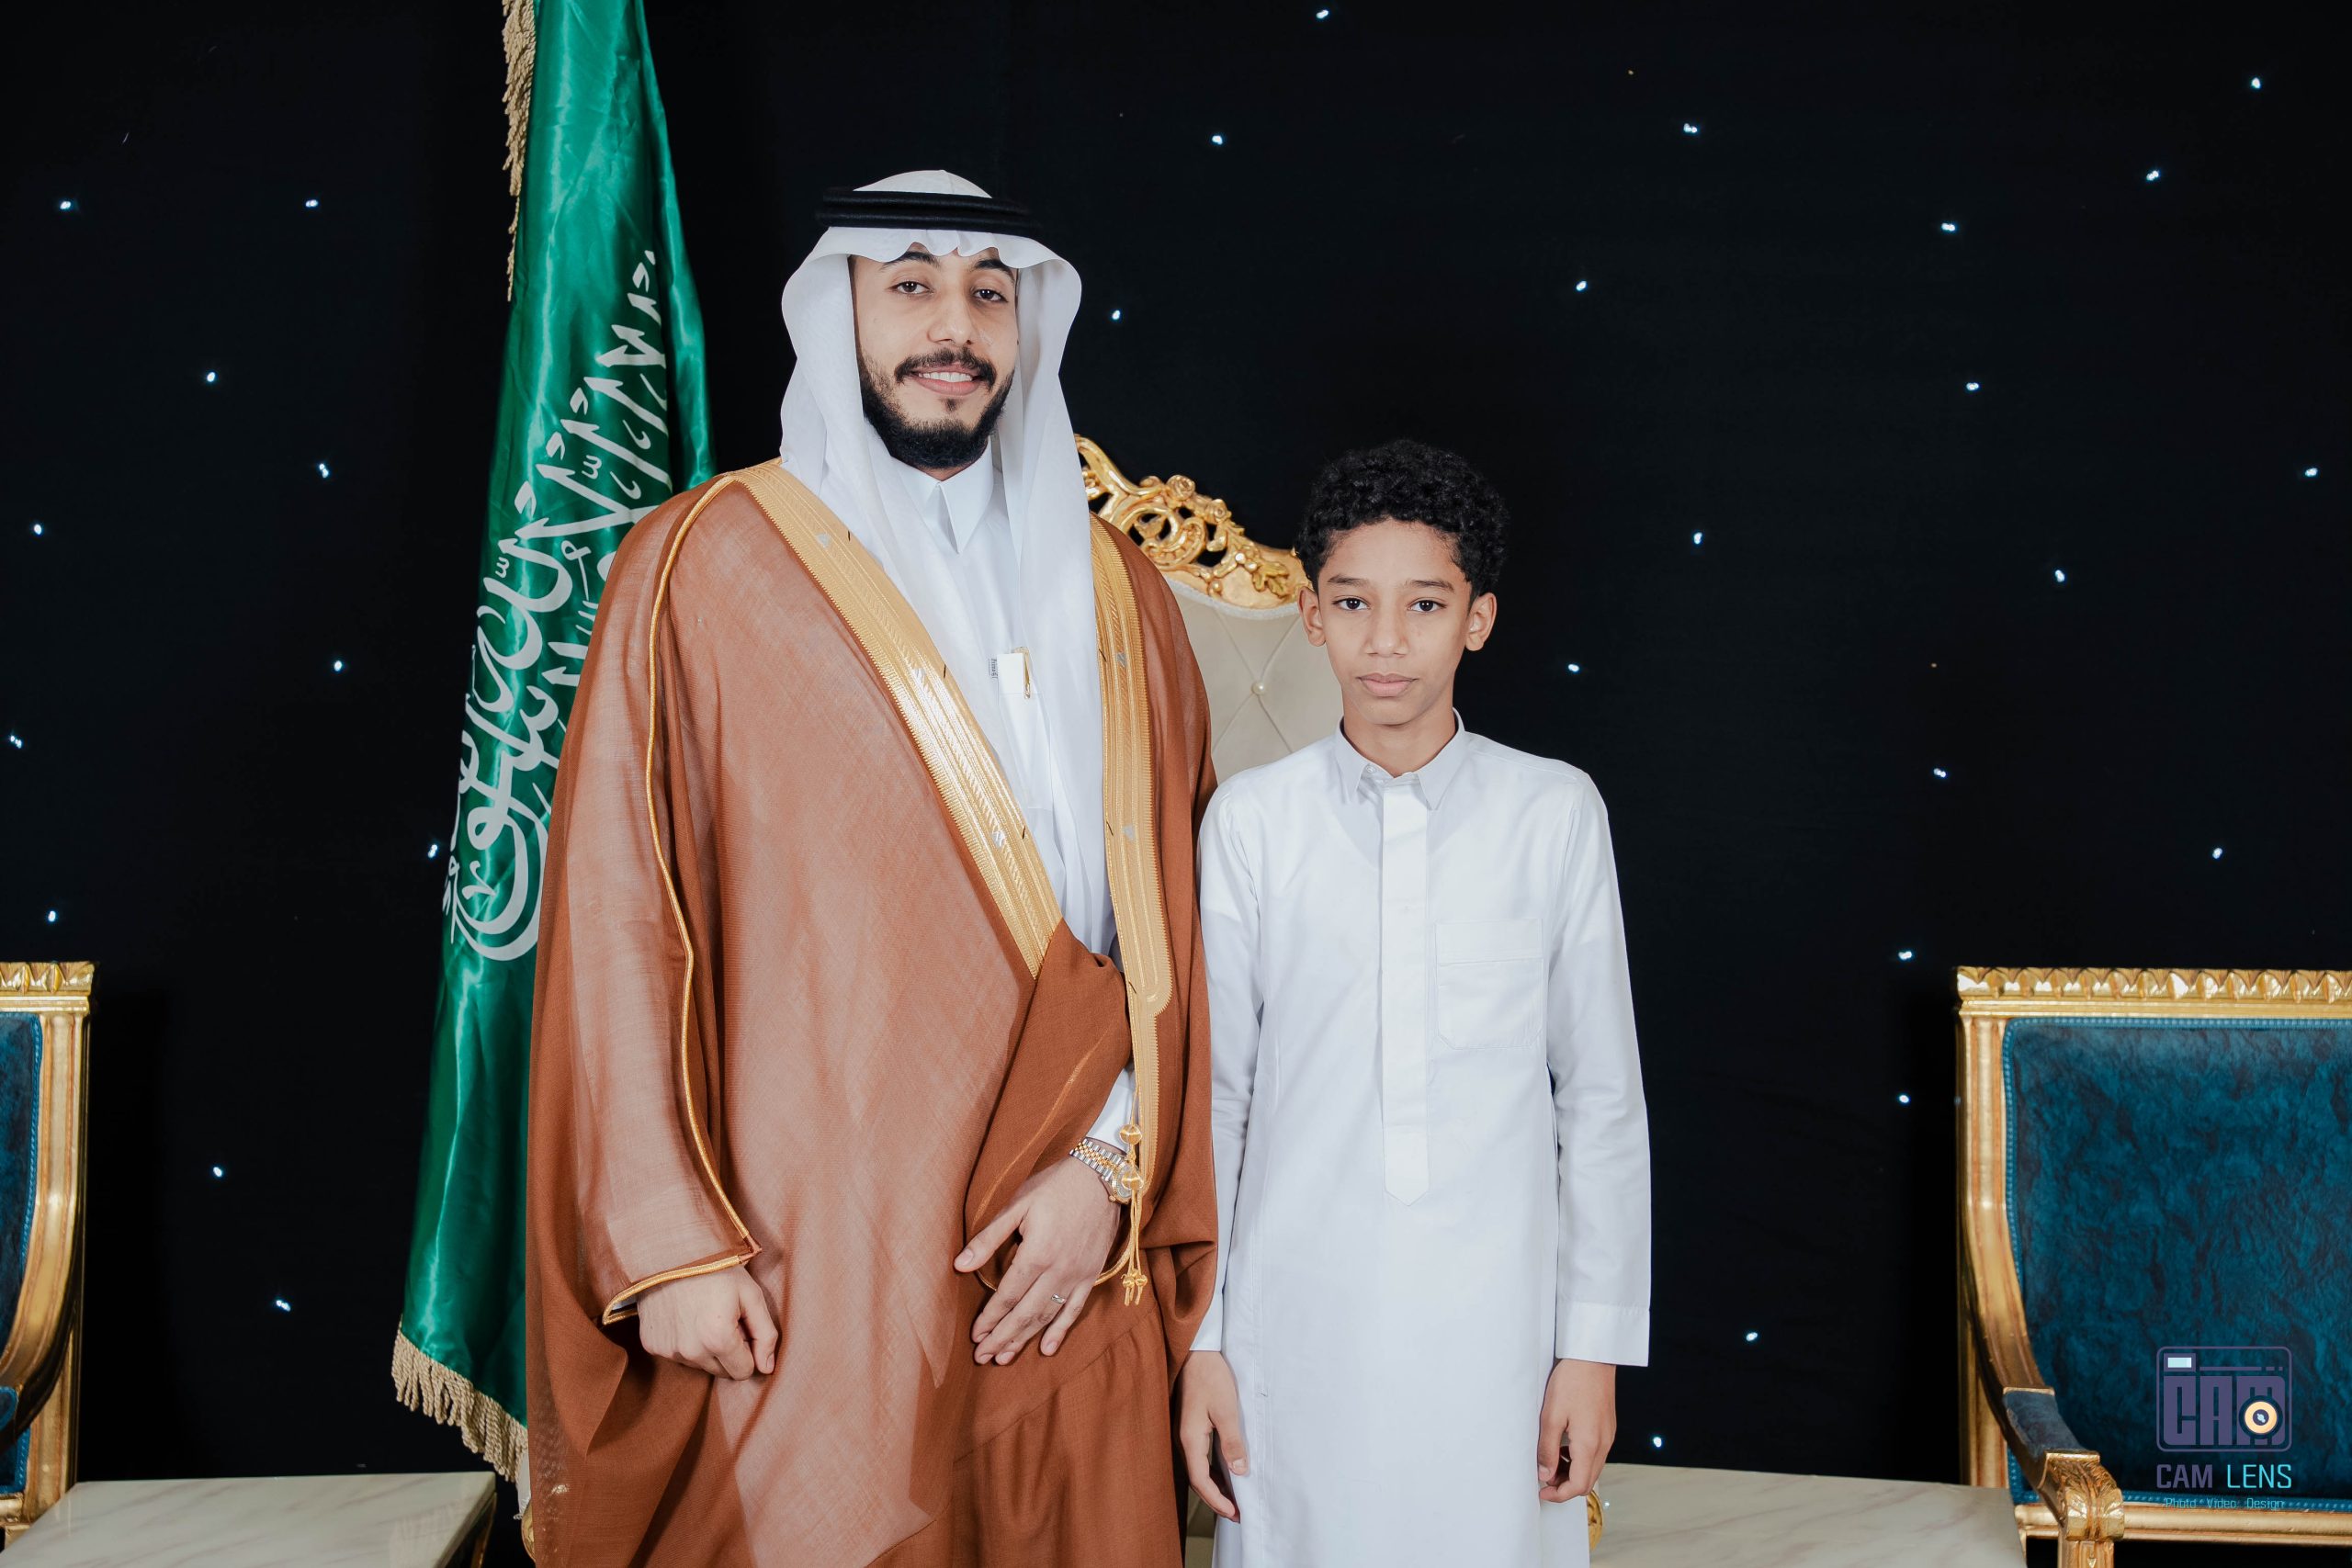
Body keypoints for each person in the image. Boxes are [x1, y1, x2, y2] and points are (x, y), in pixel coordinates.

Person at [523, 171, 1218, 1566]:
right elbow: (615, 913)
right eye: (908, 285)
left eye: (986, 291)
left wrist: (1112, 1165)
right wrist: (671, 1243)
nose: (952, 326)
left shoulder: (1122, 591)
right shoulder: (702, 563)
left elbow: (1189, 927)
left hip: (1075, 1221)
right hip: (812, 1228)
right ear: (835, 309)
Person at [1176, 439, 1652, 1566]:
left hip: (1498, 1334)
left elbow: (1599, 1100)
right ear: (1311, 616)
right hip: (1293, 1332)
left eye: (1424, 605)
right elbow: (1217, 1102)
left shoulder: (1552, 813)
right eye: (1353, 602)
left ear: (1477, 620)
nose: (1385, 640)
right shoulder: (1251, 823)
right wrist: (1204, 1341)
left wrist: (1590, 1350)